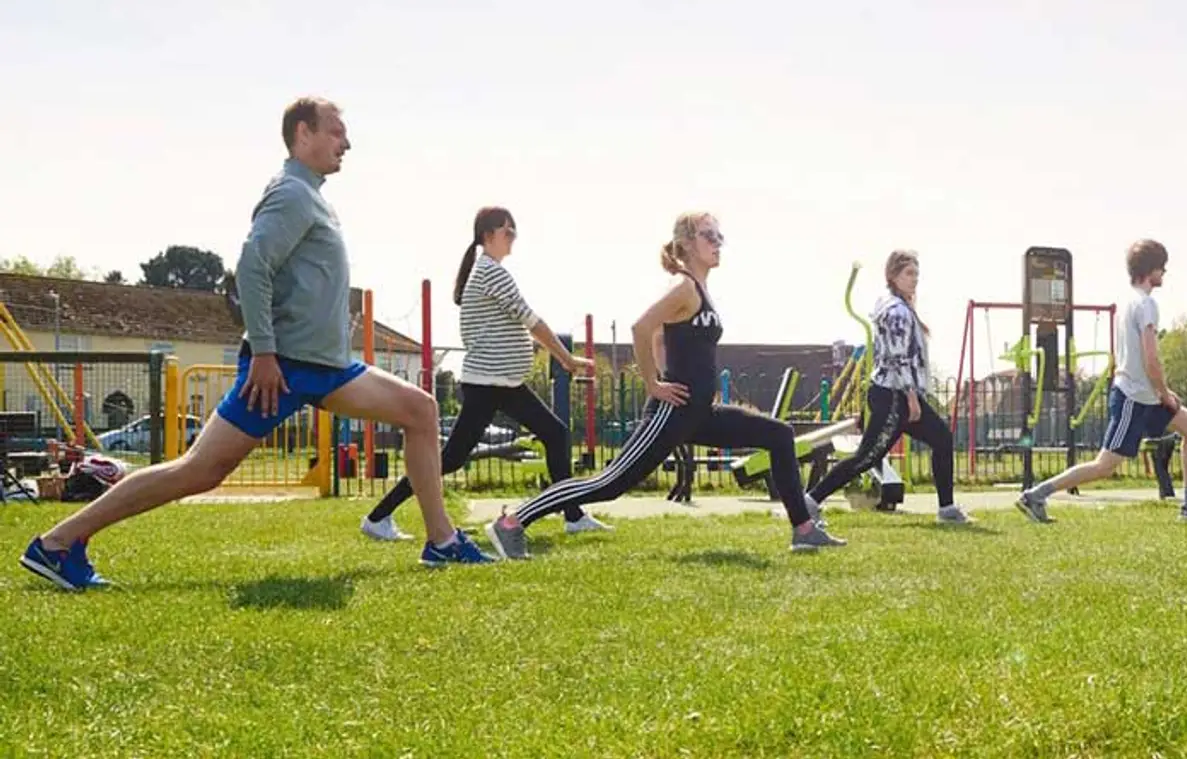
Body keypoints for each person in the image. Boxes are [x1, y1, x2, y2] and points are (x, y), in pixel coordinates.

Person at [20, 97, 495, 591]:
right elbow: (251, 267)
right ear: (302, 133)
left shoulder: (312, 197)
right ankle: (58, 543)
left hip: (328, 367)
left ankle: (441, 541)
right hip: (284, 367)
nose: (346, 143)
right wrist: (265, 354)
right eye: (336, 132)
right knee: (200, 471)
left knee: (419, 410)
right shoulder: (291, 193)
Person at [483, 212, 845, 557]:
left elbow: (658, 337)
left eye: (720, 236)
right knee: (609, 484)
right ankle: (512, 521)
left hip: (699, 412)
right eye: (709, 235)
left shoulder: (700, 289)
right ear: (686, 243)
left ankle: (803, 529)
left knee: (779, 435)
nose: (718, 243)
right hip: (672, 411)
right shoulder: (684, 287)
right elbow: (641, 327)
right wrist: (654, 383)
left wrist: (679, 375)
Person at [359, 206, 611, 541]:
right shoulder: (491, 272)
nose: (513, 238)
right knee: (452, 458)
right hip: (489, 383)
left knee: (553, 433)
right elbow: (530, 320)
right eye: (508, 231)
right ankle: (378, 517)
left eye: (514, 231)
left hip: (501, 382)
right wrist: (565, 358)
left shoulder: (487, 271)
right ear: (487, 235)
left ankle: (573, 514)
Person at [1015, 240, 1187, 524]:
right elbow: (1151, 358)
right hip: (1134, 399)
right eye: (1162, 267)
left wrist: (1162, 393)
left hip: (1147, 395)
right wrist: (1166, 394)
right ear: (1152, 270)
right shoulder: (1146, 304)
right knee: (1104, 466)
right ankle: (1035, 495)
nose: (1165, 272)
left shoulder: (1130, 301)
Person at [804, 250, 971, 524]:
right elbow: (897, 357)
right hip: (895, 396)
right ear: (893, 276)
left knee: (942, 438)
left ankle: (947, 508)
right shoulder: (895, 311)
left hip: (896, 395)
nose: (914, 279)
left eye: (916, 273)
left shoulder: (900, 307)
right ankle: (810, 501)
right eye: (908, 273)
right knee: (866, 457)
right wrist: (912, 397)